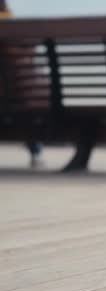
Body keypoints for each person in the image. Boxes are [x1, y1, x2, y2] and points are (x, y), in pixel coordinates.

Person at [0, 0, 44, 168]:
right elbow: (13, 52)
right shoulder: (7, 21)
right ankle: (35, 149)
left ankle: (35, 149)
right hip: (13, 95)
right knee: (25, 104)